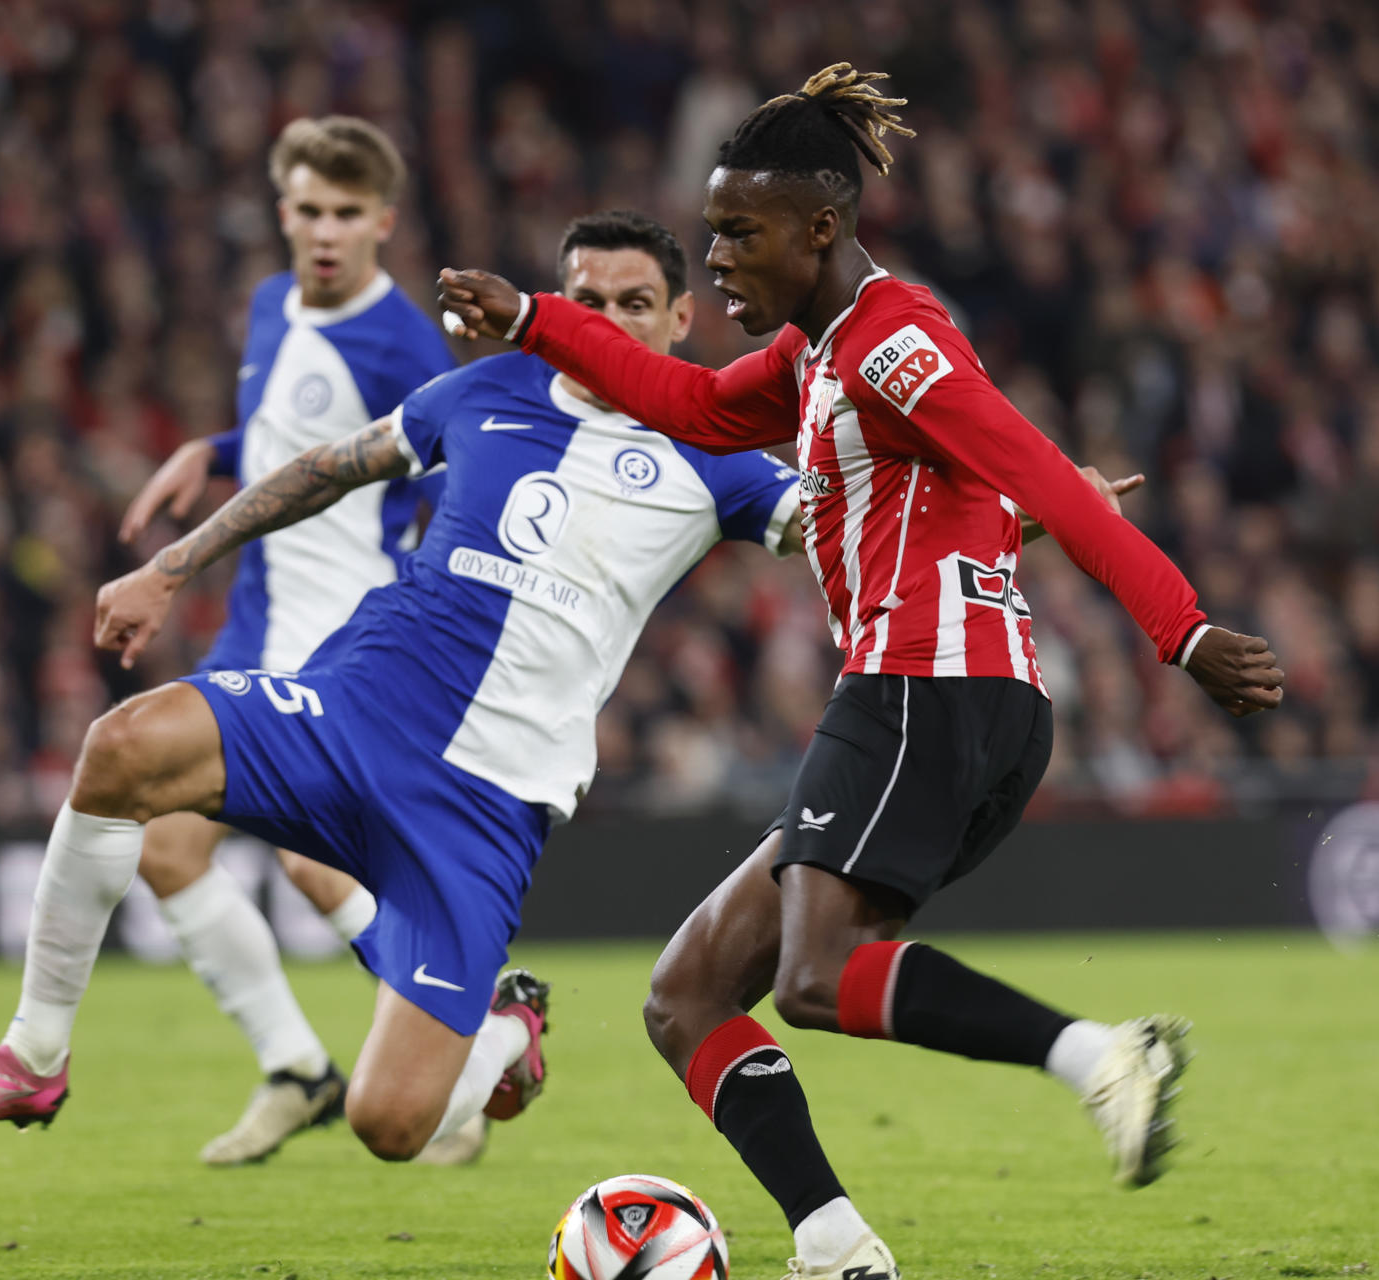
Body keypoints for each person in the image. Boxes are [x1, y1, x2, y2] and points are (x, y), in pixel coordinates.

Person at [437, 65, 1286, 1280]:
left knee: (817, 975)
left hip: (922, 686)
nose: (715, 254)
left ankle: (1102, 1055)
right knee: (686, 995)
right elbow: (685, 400)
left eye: (739, 231)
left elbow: (1040, 474)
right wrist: (533, 318)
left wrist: (1184, 629)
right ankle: (837, 1245)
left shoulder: (895, 345)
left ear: (820, 228)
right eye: (713, 228)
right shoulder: (817, 349)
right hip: (946, 699)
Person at [0, 210, 812, 1169]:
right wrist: (173, 566)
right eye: (586, 301)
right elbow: (327, 469)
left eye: (635, 304)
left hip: (483, 806)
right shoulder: (487, 388)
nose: (607, 322)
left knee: (390, 1126)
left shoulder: (721, 455)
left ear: (683, 317)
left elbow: (849, 533)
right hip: (354, 713)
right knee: (121, 748)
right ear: (556, 304)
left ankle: (500, 1035)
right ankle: (33, 1055)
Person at [0, 116, 461, 1165]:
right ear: (284, 211)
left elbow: (438, 469)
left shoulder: (409, 347)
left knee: (306, 856)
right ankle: (300, 1065)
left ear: (382, 220)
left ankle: (483, 1031)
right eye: (308, 211)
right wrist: (216, 447)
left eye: (347, 214)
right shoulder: (267, 304)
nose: (326, 232)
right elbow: (296, 435)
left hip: (339, 629)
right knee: (170, 846)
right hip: (259, 616)